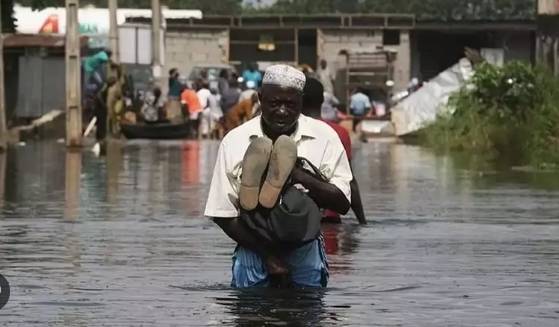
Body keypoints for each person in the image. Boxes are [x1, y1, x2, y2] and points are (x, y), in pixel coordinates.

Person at [205, 64, 352, 288]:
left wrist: (298, 175)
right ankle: (261, 190)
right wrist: (269, 257)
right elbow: (222, 213)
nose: (282, 111)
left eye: (290, 104)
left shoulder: (325, 137)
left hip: (304, 246)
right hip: (254, 249)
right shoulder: (235, 140)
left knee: (298, 199)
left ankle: (287, 177)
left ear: (301, 101)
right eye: (274, 103)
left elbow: (342, 203)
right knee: (263, 315)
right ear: (260, 98)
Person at [302, 77, 367, 225]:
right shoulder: (339, 132)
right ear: (322, 100)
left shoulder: (289, 130)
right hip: (330, 221)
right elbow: (349, 180)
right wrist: (362, 221)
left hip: (297, 219)